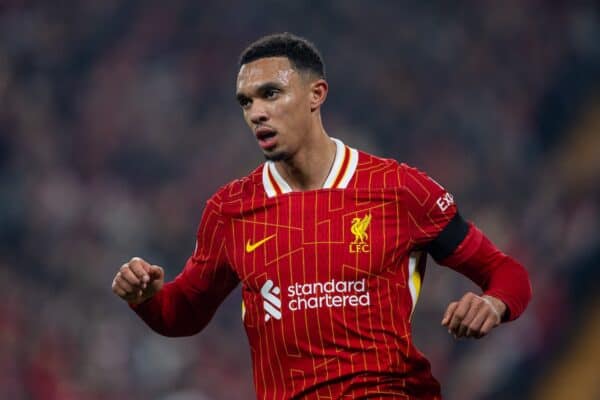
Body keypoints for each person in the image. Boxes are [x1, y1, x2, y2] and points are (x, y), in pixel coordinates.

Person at [111, 32, 532, 399]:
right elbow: (184, 313)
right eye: (246, 102)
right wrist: (145, 298)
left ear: (317, 94)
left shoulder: (398, 189)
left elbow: (506, 271)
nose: (256, 112)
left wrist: (493, 304)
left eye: (271, 94)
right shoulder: (230, 211)